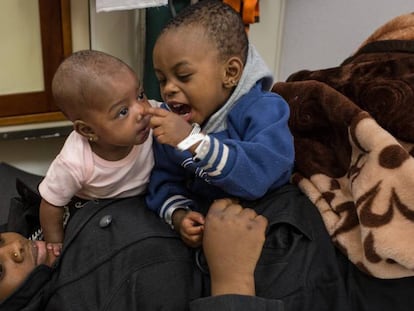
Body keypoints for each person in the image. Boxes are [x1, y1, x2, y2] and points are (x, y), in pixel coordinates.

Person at [145, 0, 295, 247]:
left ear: (230, 73)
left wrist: (192, 141)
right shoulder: (172, 127)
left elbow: (259, 175)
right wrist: (179, 214)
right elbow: (164, 179)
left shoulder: (265, 109)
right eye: (162, 79)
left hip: (268, 223)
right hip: (211, 229)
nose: (169, 89)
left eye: (183, 76)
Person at [38, 50, 154, 256]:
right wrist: (55, 245)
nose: (142, 111)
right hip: (99, 209)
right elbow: (51, 204)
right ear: (88, 131)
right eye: (123, 111)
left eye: (140, 95)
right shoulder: (73, 162)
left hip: (147, 201)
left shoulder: (154, 117)